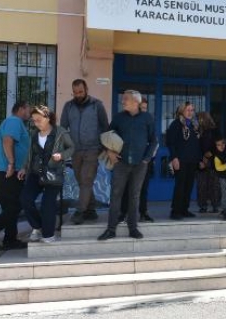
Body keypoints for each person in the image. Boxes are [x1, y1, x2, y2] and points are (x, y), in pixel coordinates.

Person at [97, 90, 158, 241]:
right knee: (115, 196)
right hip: (121, 163)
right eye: (123, 99)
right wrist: (109, 151)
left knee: (134, 196)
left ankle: (133, 228)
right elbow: (105, 136)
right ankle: (111, 230)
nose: (122, 102)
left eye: (126, 99)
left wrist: (147, 159)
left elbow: (154, 141)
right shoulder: (118, 118)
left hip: (140, 164)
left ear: (136, 102)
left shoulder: (147, 118)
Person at [19, 106, 74, 243]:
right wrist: (24, 168)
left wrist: (61, 155)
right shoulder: (33, 134)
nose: (36, 123)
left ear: (48, 118)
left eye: (39, 120)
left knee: (47, 204)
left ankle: (48, 235)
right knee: (25, 199)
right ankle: (37, 227)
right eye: (34, 121)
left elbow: (72, 148)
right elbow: (30, 153)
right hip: (35, 172)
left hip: (53, 173)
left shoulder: (60, 132)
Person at [0, 101, 31, 250]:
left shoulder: (16, 123)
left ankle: (10, 240)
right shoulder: (14, 121)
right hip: (5, 171)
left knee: (10, 207)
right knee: (17, 204)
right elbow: (7, 140)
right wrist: (11, 163)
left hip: (5, 172)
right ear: (21, 109)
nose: (30, 113)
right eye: (29, 109)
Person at [60, 79, 109, 225]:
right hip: (75, 150)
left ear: (86, 89)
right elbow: (63, 129)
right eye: (75, 92)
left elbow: (105, 127)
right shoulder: (68, 106)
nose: (78, 95)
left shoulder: (97, 105)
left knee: (86, 180)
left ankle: (80, 211)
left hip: (92, 149)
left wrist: (102, 147)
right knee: (82, 182)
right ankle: (91, 210)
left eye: (80, 92)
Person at [119, 96, 156, 223]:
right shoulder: (127, 120)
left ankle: (143, 212)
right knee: (127, 188)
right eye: (142, 108)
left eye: (146, 108)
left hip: (144, 162)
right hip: (128, 161)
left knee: (143, 188)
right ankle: (123, 212)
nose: (144, 110)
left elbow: (154, 141)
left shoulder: (148, 121)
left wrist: (147, 158)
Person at [166, 102, 202, 220]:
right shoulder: (176, 124)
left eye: (192, 110)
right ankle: (175, 211)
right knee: (180, 185)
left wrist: (199, 159)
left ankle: (184, 209)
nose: (190, 112)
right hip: (180, 160)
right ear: (182, 111)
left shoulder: (193, 125)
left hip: (192, 160)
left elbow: (196, 144)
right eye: (188, 110)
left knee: (189, 185)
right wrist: (174, 158)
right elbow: (170, 142)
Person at [196, 112, 221, 213]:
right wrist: (201, 159)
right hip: (201, 162)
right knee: (201, 184)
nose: (198, 121)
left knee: (214, 184)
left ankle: (215, 205)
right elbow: (195, 147)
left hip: (213, 162)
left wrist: (208, 156)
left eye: (200, 119)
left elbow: (219, 146)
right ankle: (203, 206)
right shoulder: (198, 132)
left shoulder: (215, 131)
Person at [212, 136, 226, 216]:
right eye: (218, 145)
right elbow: (218, 168)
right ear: (216, 146)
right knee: (224, 193)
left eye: (223, 144)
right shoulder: (217, 156)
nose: (221, 146)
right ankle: (224, 209)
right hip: (223, 177)